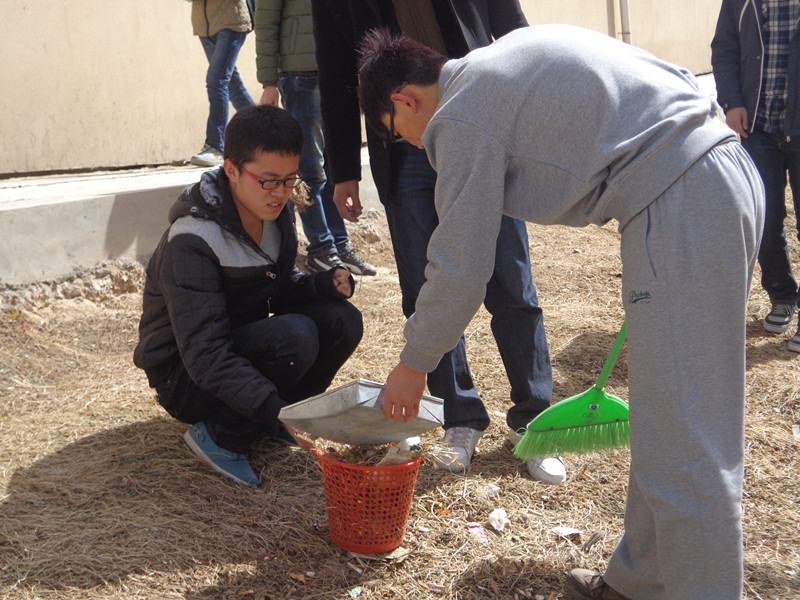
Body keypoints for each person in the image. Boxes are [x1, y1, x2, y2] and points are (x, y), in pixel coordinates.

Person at [357, 26, 763, 600]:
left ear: (404, 101)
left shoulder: (460, 114)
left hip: (683, 202)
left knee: (689, 447)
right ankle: (638, 582)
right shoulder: (497, 62)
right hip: (713, 176)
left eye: (399, 134)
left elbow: (460, 264)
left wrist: (413, 363)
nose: (414, 146)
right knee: (666, 418)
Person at [311, 0, 565, 485]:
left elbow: (513, 32)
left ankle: (534, 419)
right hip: (403, 144)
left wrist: (532, 115)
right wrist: (343, 169)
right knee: (427, 291)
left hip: (483, 127)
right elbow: (336, 74)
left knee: (511, 282)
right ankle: (459, 419)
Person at [134, 104, 363, 487]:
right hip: (186, 377)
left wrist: (322, 286)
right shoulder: (193, 240)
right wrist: (277, 409)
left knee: (342, 320)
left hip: (237, 348)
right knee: (296, 337)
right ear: (231, 169)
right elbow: (205, 356)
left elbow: (278, 289)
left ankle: (269, 422)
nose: (281, 193)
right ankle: (222, 438)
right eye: (269, 180)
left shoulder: (274, 213)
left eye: (290, 180)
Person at [253, 0, 376, 276]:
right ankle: (320, 248)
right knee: (308, 169)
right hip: (299, 75)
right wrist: (269, 83)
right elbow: (265, 22)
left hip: (337, 69)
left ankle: (339, 244)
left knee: (334, 163)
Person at [712, 0, 800, 352]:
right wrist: (732, 101)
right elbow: (725, 48)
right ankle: (782, 295)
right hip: (758, 128)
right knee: (764, 219)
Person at [188, 0, 257, 167]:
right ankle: (265, 132)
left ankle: (216, 146)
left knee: (216, 81)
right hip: (203, 26)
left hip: (230, 22)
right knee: (232, 86)